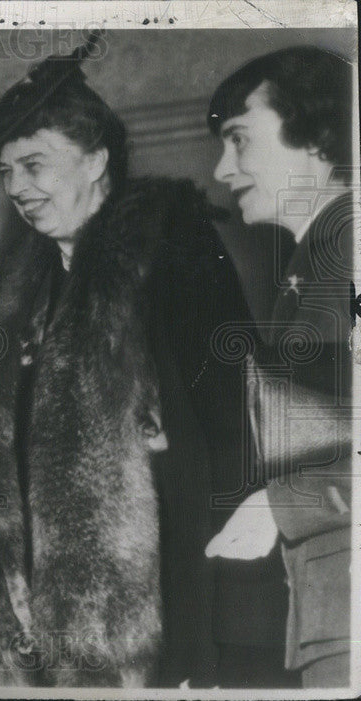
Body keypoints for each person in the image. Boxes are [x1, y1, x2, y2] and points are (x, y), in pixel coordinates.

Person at [0, 32, 256, 687]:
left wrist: (203, 645)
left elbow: (233, 430)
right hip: (42, 632)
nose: (16, 187)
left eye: (34, 164)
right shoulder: (21, 295)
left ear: (97, 160)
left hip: (163, 620)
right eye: (7, 172)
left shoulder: (175, 253)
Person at [204, 46, 354, 688]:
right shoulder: (313, 266)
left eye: (240, 140)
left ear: (318, 139)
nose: (221, 169)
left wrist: (277, 503)